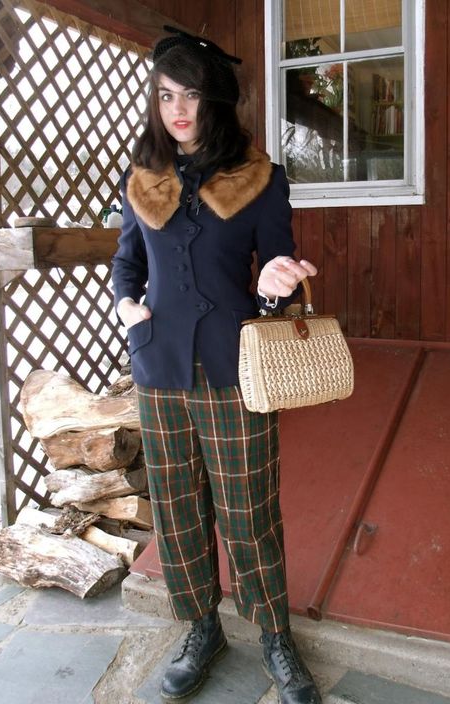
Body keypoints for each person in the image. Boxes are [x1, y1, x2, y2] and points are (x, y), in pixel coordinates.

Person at [112, 26, 321, 704]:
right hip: (158, 366)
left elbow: (269, 274)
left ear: (216, 101)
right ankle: (201, 626)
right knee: (176, 511)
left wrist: (279, 282)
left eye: (192, 94)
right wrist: (126, 308)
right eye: (166, 94)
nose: (178, 109)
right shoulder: (143, 178)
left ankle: (272, 634)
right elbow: (127, 264)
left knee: (249, 510)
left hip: (236, 370)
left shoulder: (261, 179)